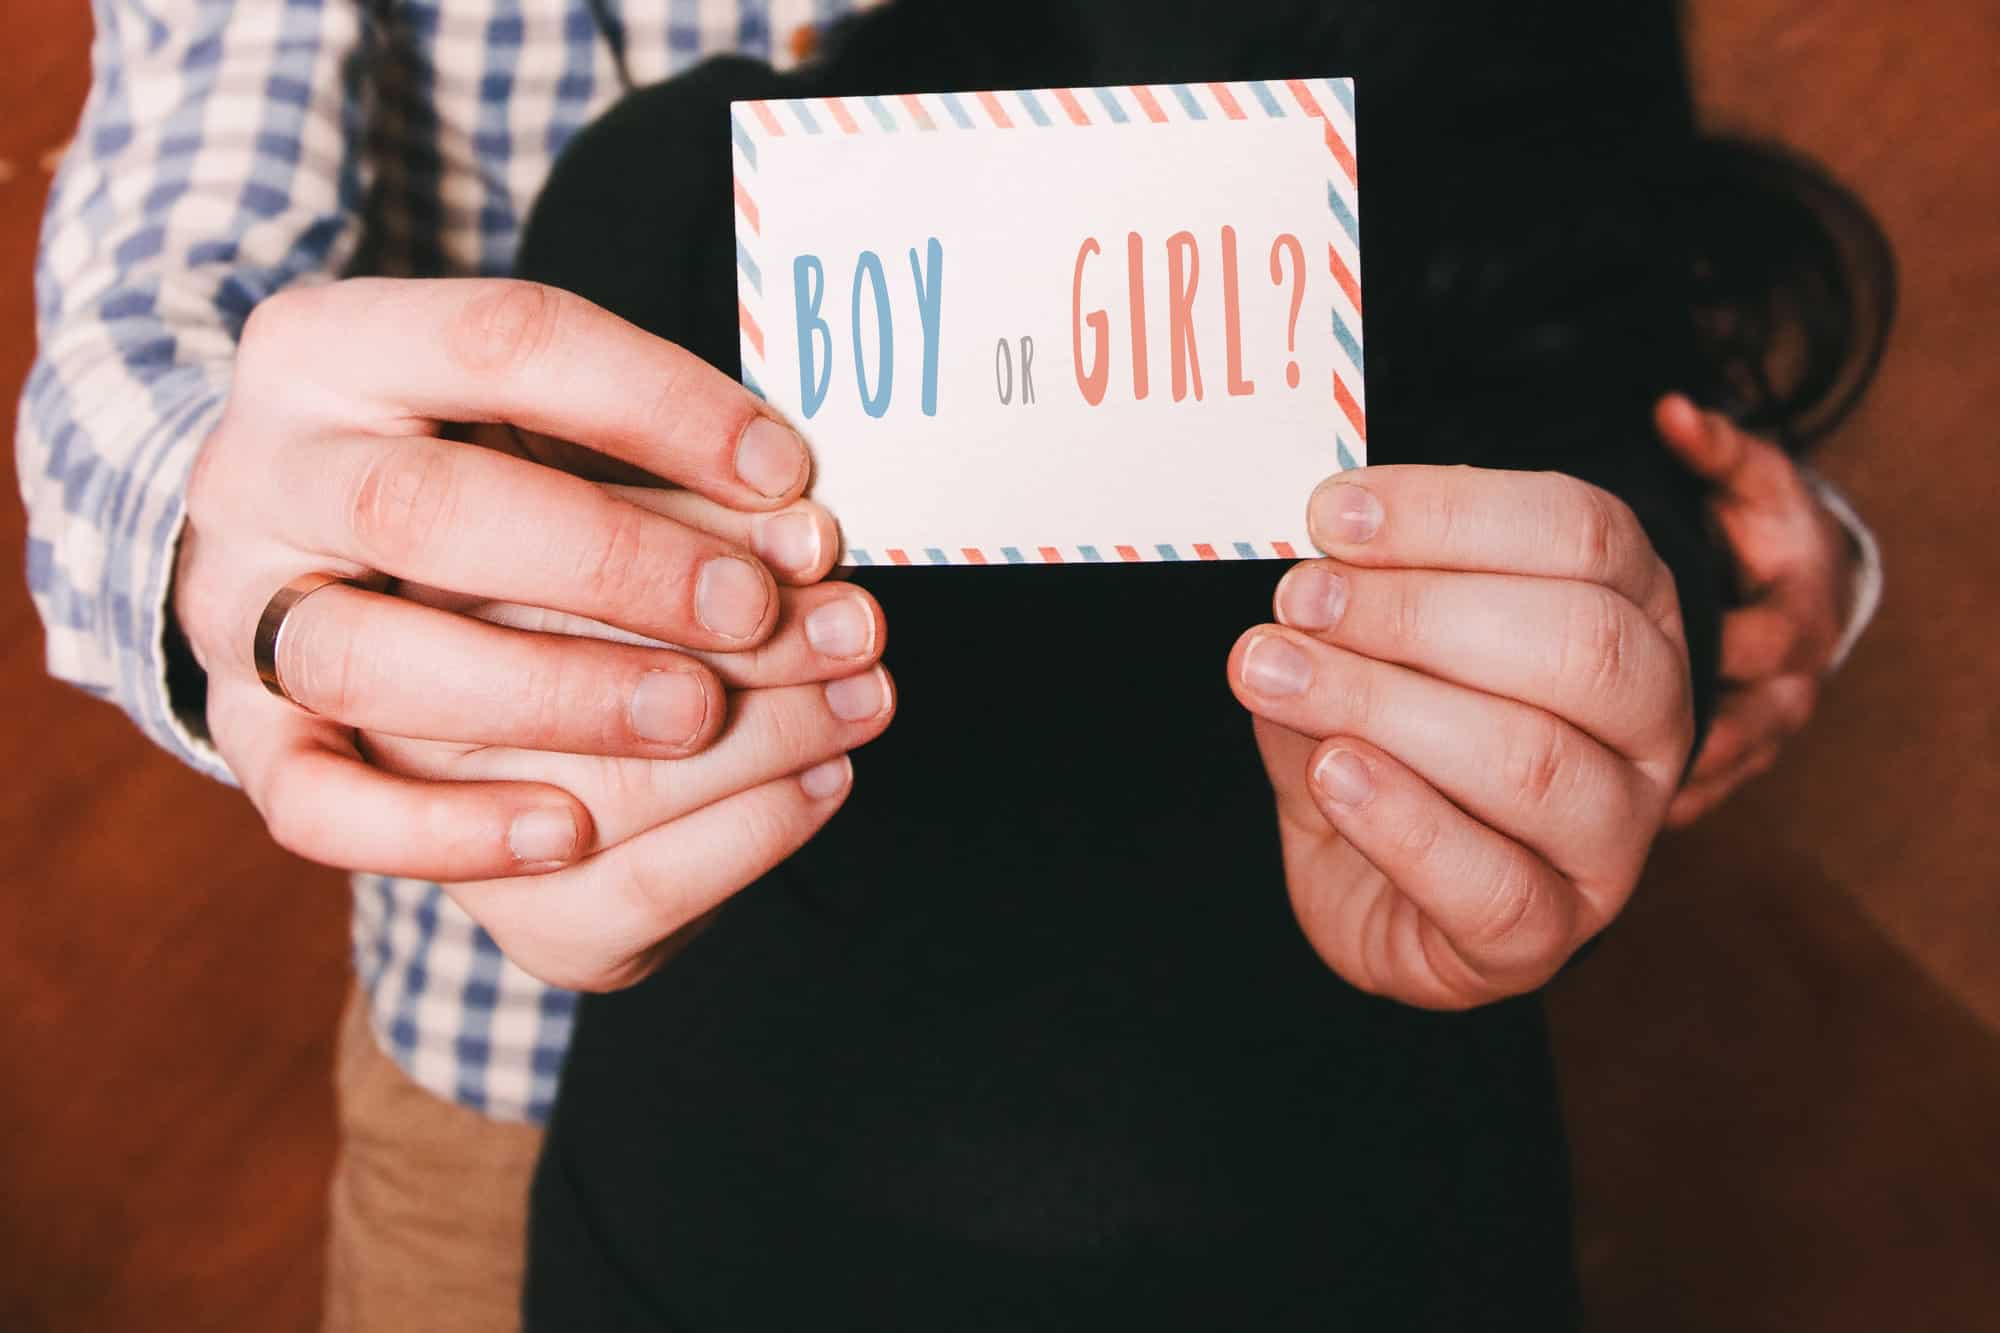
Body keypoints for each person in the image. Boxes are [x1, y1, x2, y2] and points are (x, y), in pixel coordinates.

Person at [12, 0, 1886, 1327]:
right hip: (515, 1017)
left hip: (1322, 1103)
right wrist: (244, 566)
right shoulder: (659, 174)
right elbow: (146, 300)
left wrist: (1711, 583)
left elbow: (1564, 217)